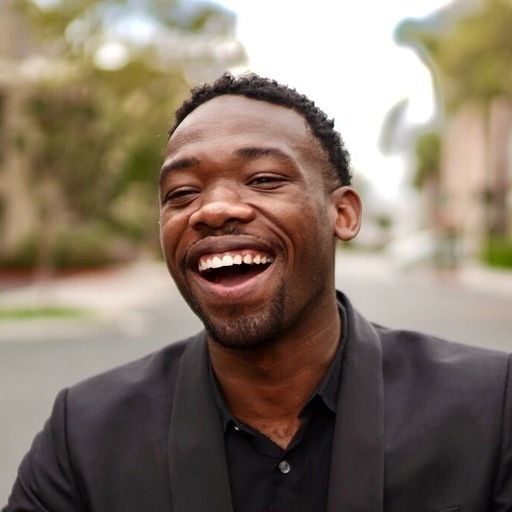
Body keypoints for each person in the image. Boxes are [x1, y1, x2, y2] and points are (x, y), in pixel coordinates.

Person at [4, 73, 512, 512]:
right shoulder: (84, 436)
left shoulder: (491, 408)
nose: (213, 209)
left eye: (264, 179)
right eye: (182, 192)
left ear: (343, 213)